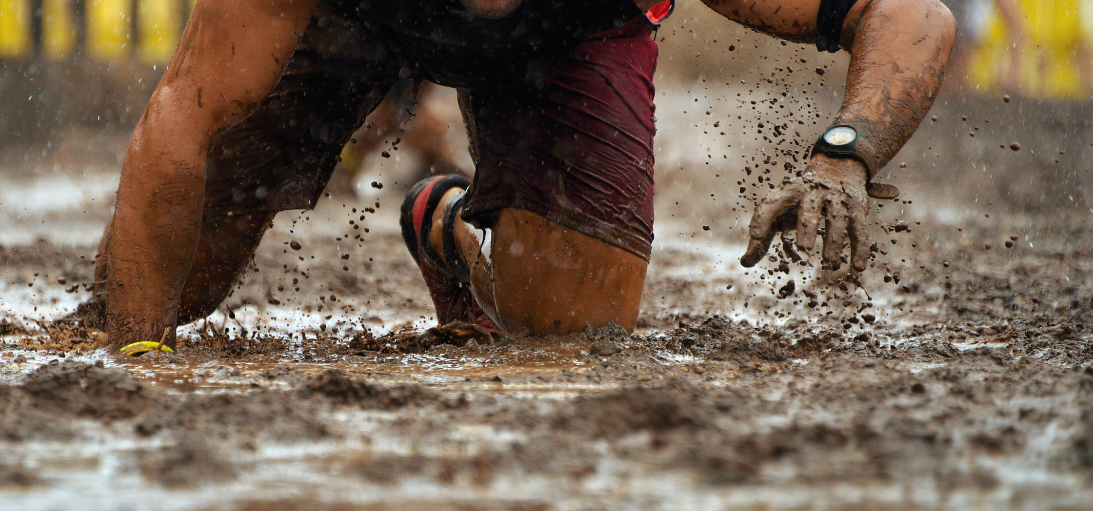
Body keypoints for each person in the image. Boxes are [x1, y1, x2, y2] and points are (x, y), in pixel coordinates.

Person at [84, 0, 956, 354]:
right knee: (163, 293)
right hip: (351, 14)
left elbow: (909, 13)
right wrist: (138, 349)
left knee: (569, 343)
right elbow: (184, 114)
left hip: (569, 33)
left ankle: (453, 241)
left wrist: (842, 155)